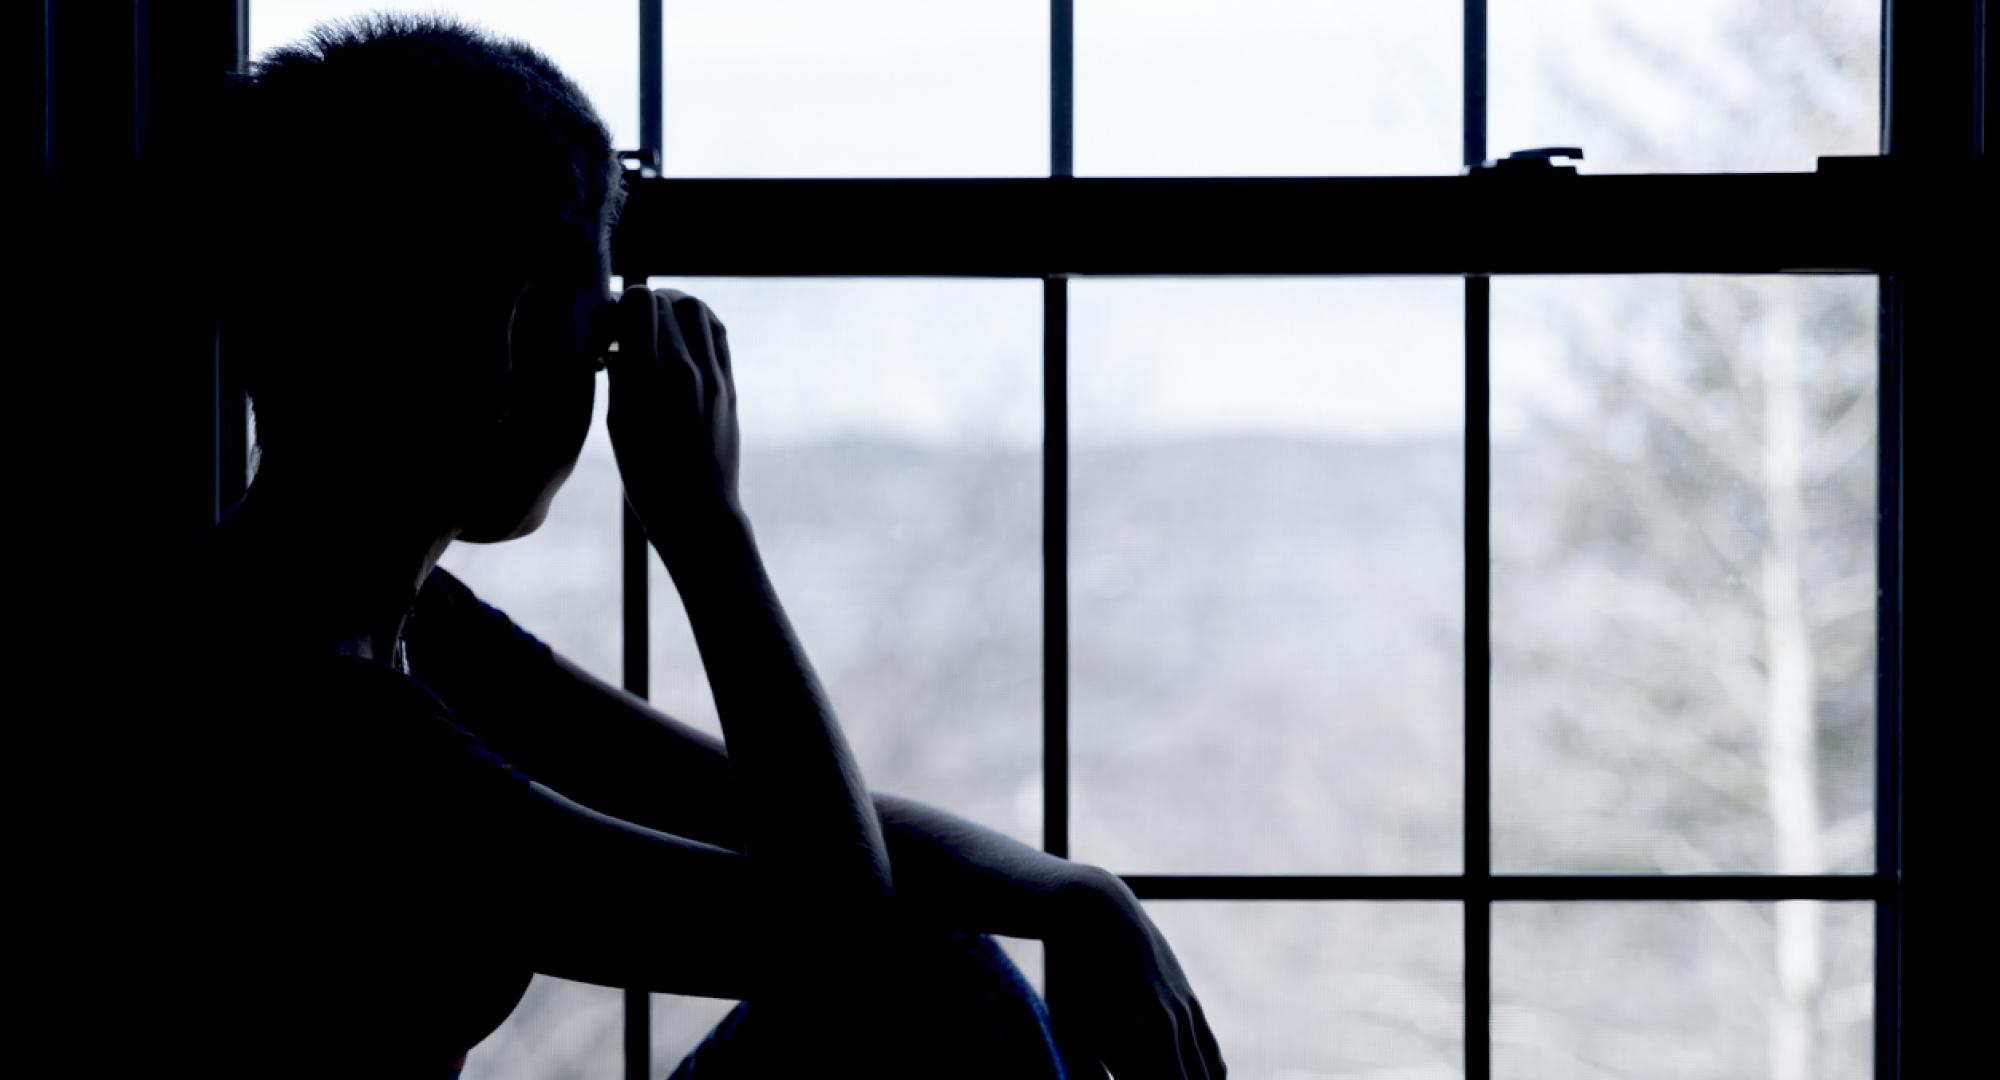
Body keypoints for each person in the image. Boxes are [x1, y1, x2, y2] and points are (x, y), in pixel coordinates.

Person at [175, 12, 1223, 1079]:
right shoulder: (322, 719)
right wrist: (708, 532)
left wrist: (1075, 895)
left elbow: (743, 804)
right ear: (517, 337)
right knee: (926, 975)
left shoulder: (376, 621)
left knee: (938, 956)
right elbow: (834, 935)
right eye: (594, 340)